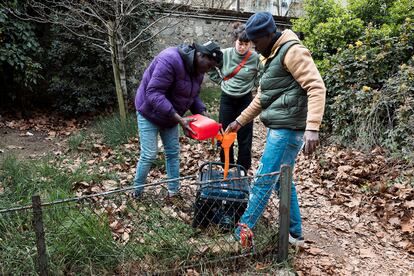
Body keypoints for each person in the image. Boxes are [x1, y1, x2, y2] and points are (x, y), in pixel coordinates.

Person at [226, 12, 326, 246]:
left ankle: (242, 232)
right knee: (282, 181)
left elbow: (316, 86)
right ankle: (294, 233)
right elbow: (263, 98)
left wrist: (313, 128)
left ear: (269, 35)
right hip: (282, 126)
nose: (254, 47)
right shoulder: (271, 55)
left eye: (256, 42)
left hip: (288, 129)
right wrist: (239, 121)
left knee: (263, 178)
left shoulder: (292, 51)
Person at [133, 41, 223, 200]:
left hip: (171, 116)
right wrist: (179, 119)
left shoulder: (198, 70)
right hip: (149, 111)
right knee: (149, 154)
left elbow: (193, 96)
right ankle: (136, 193)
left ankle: (174, 193)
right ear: (200, 55)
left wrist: (203, 115)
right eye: (209, 66)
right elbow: (153, 93)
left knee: (173, 153)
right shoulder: (170, 59)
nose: (208, 71)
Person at [209, 22, 260, 172]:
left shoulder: (255, 58)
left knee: (245, 135)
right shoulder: (225, 54)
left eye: (246, 44)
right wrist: (219, 81)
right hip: (227, 99)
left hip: (245, 99)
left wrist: (254, 84)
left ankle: (243, 168)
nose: (242, 47)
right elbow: (210, 66)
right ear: (234, 41)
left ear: (250, 44)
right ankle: (226, 165)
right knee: (225, 133)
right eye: (240, 43)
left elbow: (263, 73)